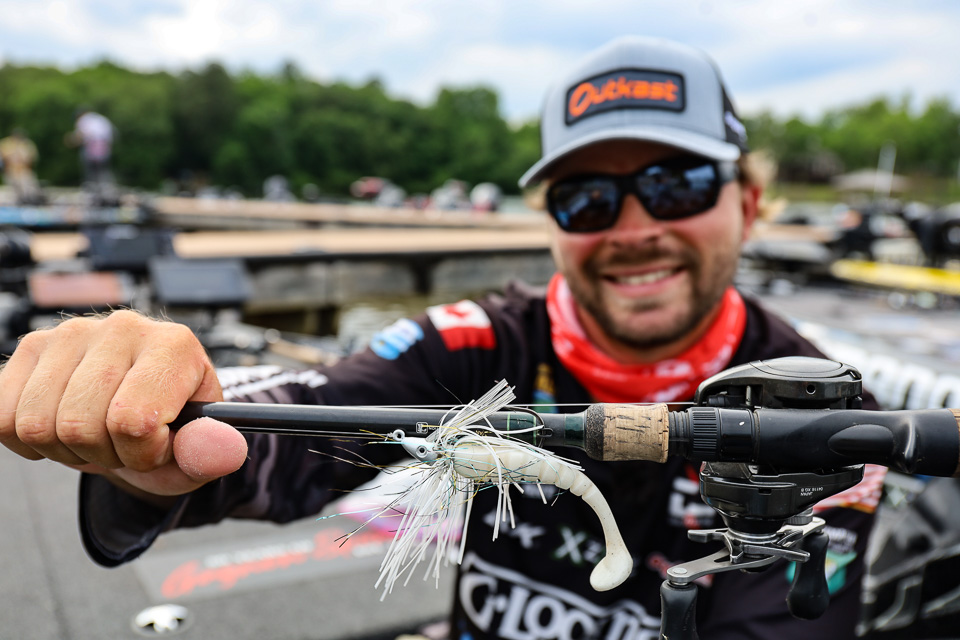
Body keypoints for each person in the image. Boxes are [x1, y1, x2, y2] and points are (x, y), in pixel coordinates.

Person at [0, 37, 882, 639]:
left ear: (750, 204)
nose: (634, 228)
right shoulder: (473, 344)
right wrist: (156, 425)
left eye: (677, 184)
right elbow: (303, 422)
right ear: (552, 226)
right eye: (586, 199)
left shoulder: (826, 419)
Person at [66, 107, 116, 204]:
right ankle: (105, 190)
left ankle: (91, 191)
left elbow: (81, 135)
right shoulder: (100, 118)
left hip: (92, 146)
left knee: (90, 170)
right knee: (103, 170)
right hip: (104, 147)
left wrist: (71, 140)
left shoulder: (83, 120)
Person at [0, 128, 42, 205]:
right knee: (14, 189)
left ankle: (31, 200)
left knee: (29, 186)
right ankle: (19, 201)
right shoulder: (5, 144)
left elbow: (31, 160)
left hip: (23, 170)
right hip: (10, 170)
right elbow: (3, 159)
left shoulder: (27, 144)